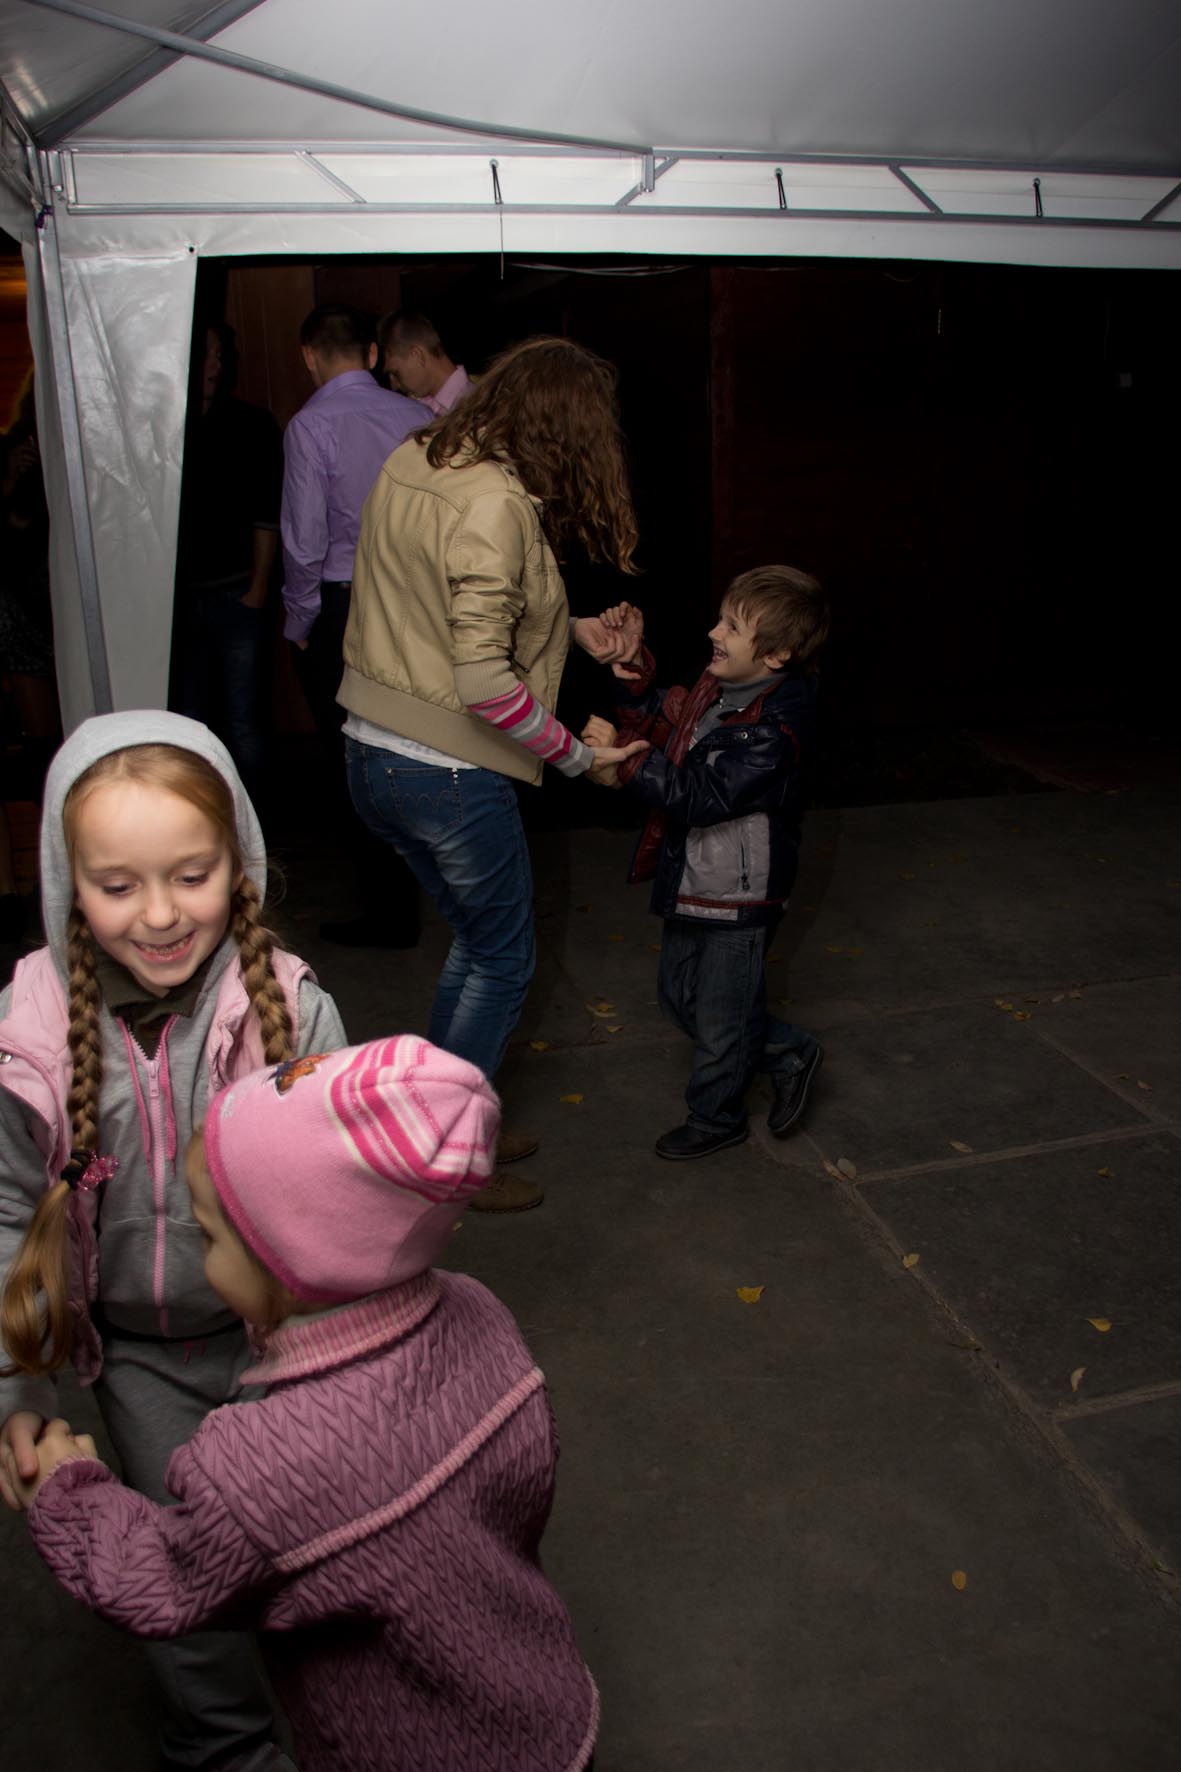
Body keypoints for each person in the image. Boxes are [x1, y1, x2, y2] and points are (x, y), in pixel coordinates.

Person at [2, 1036, 600, 1772]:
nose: (200, 1256)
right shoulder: (482, 1312)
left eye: (210, 1235)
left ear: (291, 1261)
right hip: (553, 1715)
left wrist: (66, 1492)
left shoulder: (259, 1465)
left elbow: (157, 1580)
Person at [0, 709, 347, 1772]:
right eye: (117, 885)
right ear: (67, 885)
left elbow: (350, 1212)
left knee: (312, 1548)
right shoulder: (26, 1040)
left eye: (191, 875)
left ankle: (346, 1721)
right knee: (185, 1574)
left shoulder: (295, 1014)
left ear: (238, 865)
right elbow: (9, 1216)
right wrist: (17, 1393)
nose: (158, 914)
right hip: (137, 1361)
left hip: (285, 1350)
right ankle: (225, 1746)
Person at [340, 335, 649, 1213]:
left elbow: (440, 603)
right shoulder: (497, 503)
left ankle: (444, 1115)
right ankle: (447, 1154)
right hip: (442, 773)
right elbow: (481, 684)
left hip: (371, 750)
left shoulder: (420, 456)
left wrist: (570, 630)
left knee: (478, 947)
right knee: (502, 958)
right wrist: (578, 756)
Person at [583, 566, 830, 1160]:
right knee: (680, 998)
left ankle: (716, 1118)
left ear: (776, 655)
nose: (713, 632)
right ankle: (788, 1051)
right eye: (721, 618)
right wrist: (636, 677)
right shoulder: (717, 689)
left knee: (720, 1018)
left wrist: (624, 764)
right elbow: (667, 720)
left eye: (732, 627)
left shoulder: (775, 729)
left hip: (741, 895)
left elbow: (701, 796)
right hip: (694, 877)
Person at [281, 303, 433, 948]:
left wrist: (299, 619)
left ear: (308, 356)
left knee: (356, 755)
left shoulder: (310, 425)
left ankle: (387, 909)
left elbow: (304, 539)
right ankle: (425, 891)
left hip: (345, 605)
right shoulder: (418, 418)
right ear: (373, 354)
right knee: (413, 742)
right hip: (415, 599)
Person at [173, 323, 282, 805]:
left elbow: (267, 513)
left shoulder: (250, 424)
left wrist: (258, 589)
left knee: (243, 719)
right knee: (187, 719)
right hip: (177, 602)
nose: (216, 365)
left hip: (237, 591)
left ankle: (253, 822)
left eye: (221, 354)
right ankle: (198, 815)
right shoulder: (163, 427)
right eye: (207, 354)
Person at [378, 308, 471, 413]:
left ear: (417, 355)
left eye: (396, 373)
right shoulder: (417, 407)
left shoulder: (477, 406)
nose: (394, 386)